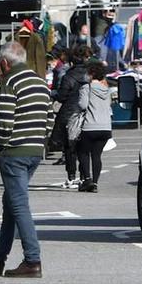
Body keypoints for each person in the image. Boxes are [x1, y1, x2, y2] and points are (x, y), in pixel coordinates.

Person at [0, 42, 53, 278]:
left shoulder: (10, 82)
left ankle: (32, 260)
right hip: (34, 150)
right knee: (11, 202)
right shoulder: (40, 82)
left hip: (14, 152)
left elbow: (5, 120)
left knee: (18, 205)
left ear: (4, 63)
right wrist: (39, 141)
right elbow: (49, 118)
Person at [49, 47, 91, 190]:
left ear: (72, 62)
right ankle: (87, 177)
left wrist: (52, 93)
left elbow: (61, 96)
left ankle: (71, 177)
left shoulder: (68, 76)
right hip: (86, 113)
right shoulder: (89, 75)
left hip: (69, 113)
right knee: (85, 148)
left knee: (69, 147)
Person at [69, 67, 116, 192]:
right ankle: (95, 182)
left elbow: (83, 105)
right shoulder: (106, 89)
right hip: (105, 127)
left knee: (83, 153)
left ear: (91, 74)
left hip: (90, 126)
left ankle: (87, 180)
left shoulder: (87, 88)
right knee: (97, 155)